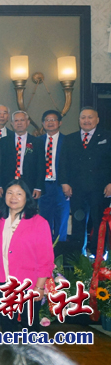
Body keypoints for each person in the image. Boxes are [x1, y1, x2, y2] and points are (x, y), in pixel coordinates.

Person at [0, 180, 55, 333]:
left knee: (30, 325)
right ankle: (10, 349)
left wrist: (39, 287)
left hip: (28, 283)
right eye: (9, 193)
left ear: (27, 197)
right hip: (2, 280)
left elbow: (45, 258)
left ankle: (33, 349)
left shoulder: (39, 223)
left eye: (19, 194)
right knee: (7, 325)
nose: (13, 197)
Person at [59, 106, 111, 256]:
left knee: (99, 222)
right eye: (83, 117)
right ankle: (78, 257)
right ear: (79, 120)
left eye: (90, 117)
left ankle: (99, 256)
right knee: (78, 223)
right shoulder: (70, 138)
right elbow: (63, 162)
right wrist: (64, 182)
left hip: (100, 189)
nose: (86, 120)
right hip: (77, 190)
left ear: (97, 120)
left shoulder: (107, 137)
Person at [0, 110, 44, 202]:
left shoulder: (37, 142)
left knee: (29, 208)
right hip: (8, 182)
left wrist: (38, 187)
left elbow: (41, 166)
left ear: (28, 122)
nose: (19, 123)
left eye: (22, 120)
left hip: (30, 183)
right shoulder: (4, 141)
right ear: (12, 123)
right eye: (16, 121)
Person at [38, 110, 69, 244]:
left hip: (61, 186)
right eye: (47, 120)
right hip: (43, 186)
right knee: (43, 220)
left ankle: (60, 250)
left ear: (60, 123)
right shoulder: (37, 141)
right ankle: (45, 249)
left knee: (61, 220)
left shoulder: (68, 141)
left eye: (53, 120)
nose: (50, 122)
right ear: (43, 123)